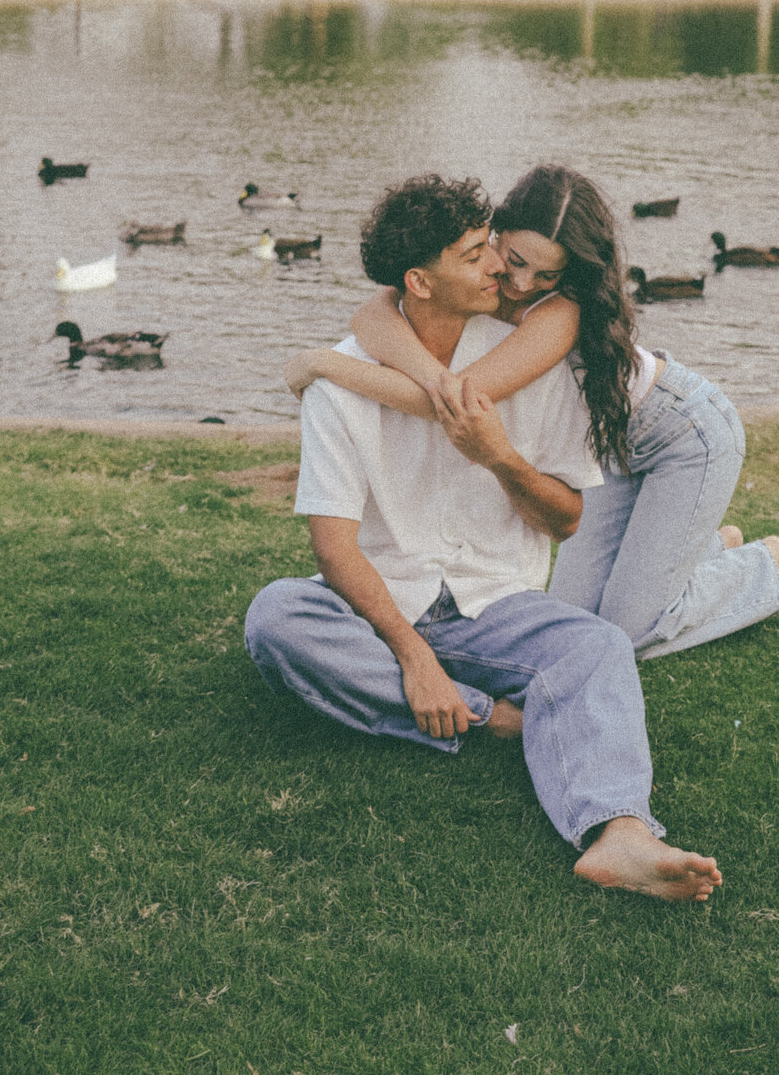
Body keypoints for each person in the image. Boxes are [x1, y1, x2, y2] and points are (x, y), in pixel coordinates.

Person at [247, 173, 722, 903]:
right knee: (277, 619)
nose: (502, 270)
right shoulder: (348, 381)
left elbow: (566, 518)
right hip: (384, 601)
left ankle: (621, 832)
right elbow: (334, 549)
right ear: (421, 280)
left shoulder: (539, 344)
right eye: (480, 255)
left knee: (600, 644)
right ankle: (493, 718)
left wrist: (499, 456)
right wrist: (413, 658)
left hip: (497, 597)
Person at [287, 165, 779, 662]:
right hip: (601, 448)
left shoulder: (558, 313)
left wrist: (327, 365)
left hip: (680, 431)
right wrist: (431, 375)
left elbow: (455, 404)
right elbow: (374, 314)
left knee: (627, 634)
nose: (522, 284)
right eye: (515, 259)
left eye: (547, 273)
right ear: (495, 234)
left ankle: (757, 568)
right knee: (577, 621)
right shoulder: (478, 284)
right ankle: (695, 552)